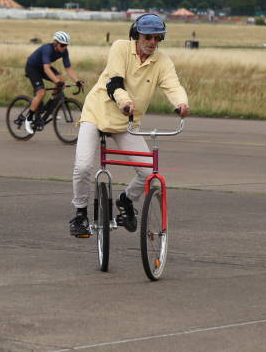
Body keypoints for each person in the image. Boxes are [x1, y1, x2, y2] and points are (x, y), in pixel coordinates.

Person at [69, 14, 190, 237]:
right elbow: (114, 82)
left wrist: (181, 103)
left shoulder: (162, 62)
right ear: (136, 35)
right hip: (97, 113)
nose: (152, 42)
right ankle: (80, 214)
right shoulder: (121, 48)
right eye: (147, 37)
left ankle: (126, 200)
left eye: (157, 38)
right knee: (84, 166)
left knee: (147, 171)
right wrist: (125, 102)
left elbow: (173, 86)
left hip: (126, 121)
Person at [23, 31, 82, 134]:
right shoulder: (47, 49)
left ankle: (47, 108)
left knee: (61, 81)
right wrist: (57, 81)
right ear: (55, 43)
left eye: (66, 45)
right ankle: (29, 118)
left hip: (43, 67)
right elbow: (46, 68)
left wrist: (77, 81)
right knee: (41, 92)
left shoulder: (64, 51)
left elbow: (68, 68)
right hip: (32, 67)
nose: (64, 47)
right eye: (62, 45)